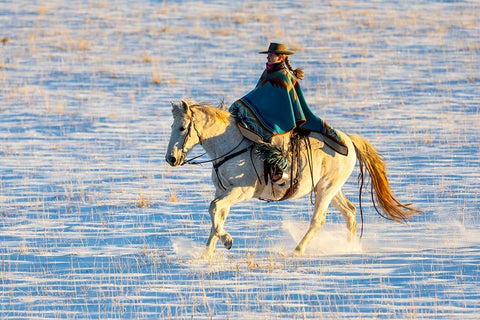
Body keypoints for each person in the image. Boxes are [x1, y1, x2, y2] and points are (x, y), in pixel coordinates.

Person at [229, 42, 347, 182]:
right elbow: (259, 94)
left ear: (280, 57)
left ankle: (280, 167)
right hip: (269, 114)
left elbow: (284, 100)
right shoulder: (267, 73)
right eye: (268, 55)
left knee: (273, 135)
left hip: (283, 117)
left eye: (271, 55)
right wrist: (243, 104)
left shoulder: (283, 75)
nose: (268, 57)